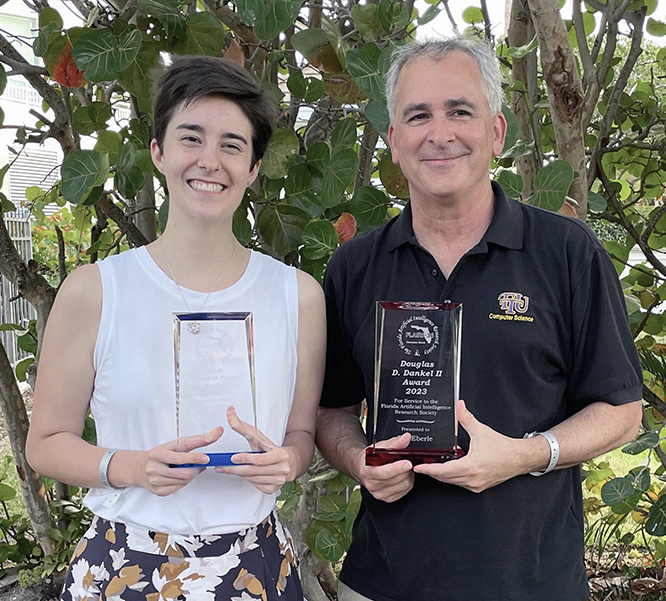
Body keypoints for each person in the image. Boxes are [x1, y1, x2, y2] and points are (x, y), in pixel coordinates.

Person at [316, 37, 643, 601]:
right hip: (383, 583)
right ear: (394, 142)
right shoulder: (354, 266)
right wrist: (358, 460)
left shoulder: (566, 252)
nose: (439, 133)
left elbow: (620, 409)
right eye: (418, 116)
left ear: (496, 132)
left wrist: (525, 454)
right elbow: (332, 411)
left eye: (459, 111)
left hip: (533, 583)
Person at [26, 55, 326, 601]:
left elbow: (301, 436)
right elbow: (45, 444)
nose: (210, 161)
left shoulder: (298, 296)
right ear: (159, 152)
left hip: (256, 567)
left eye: (232, 145)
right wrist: (133, 466)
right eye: (192, 138)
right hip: (125, 566)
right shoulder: (96, 291)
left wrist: (287, 463)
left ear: (254, 167)